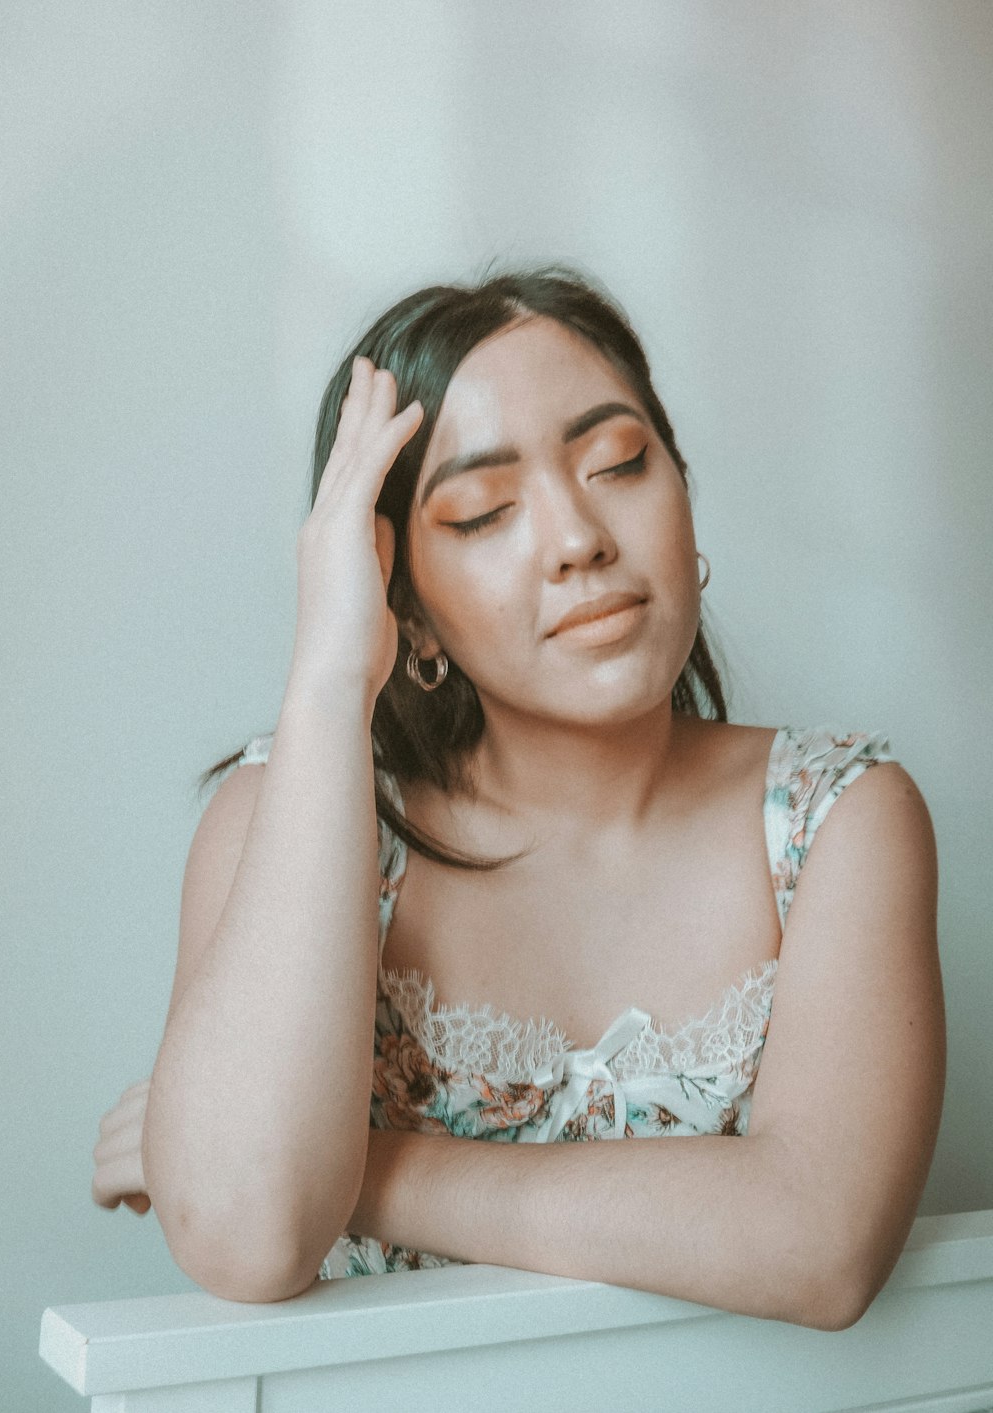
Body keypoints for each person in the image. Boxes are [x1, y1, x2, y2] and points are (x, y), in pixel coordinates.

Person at [92, 265, 944, 1328]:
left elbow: (818, 1249)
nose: (579, 539)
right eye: (486, 512)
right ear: (411, 608)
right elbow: (249, 1233)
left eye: (618, 463)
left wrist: (352, 1170)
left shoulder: (840, 820)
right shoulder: (284, 816)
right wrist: (328, 678)